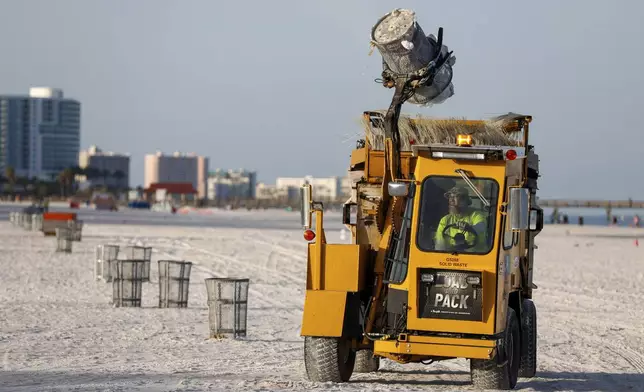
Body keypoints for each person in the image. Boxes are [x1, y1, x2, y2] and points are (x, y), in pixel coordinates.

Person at [434, 186, 488, 251]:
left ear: (465, 200)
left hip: (476, 256)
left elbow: (482, 227)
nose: (451, 200)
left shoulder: (476, 215)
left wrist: (469, 228)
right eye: (450, 197)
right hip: (451, 257)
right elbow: (440, 245)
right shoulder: (445, 220)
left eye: (455, 197)